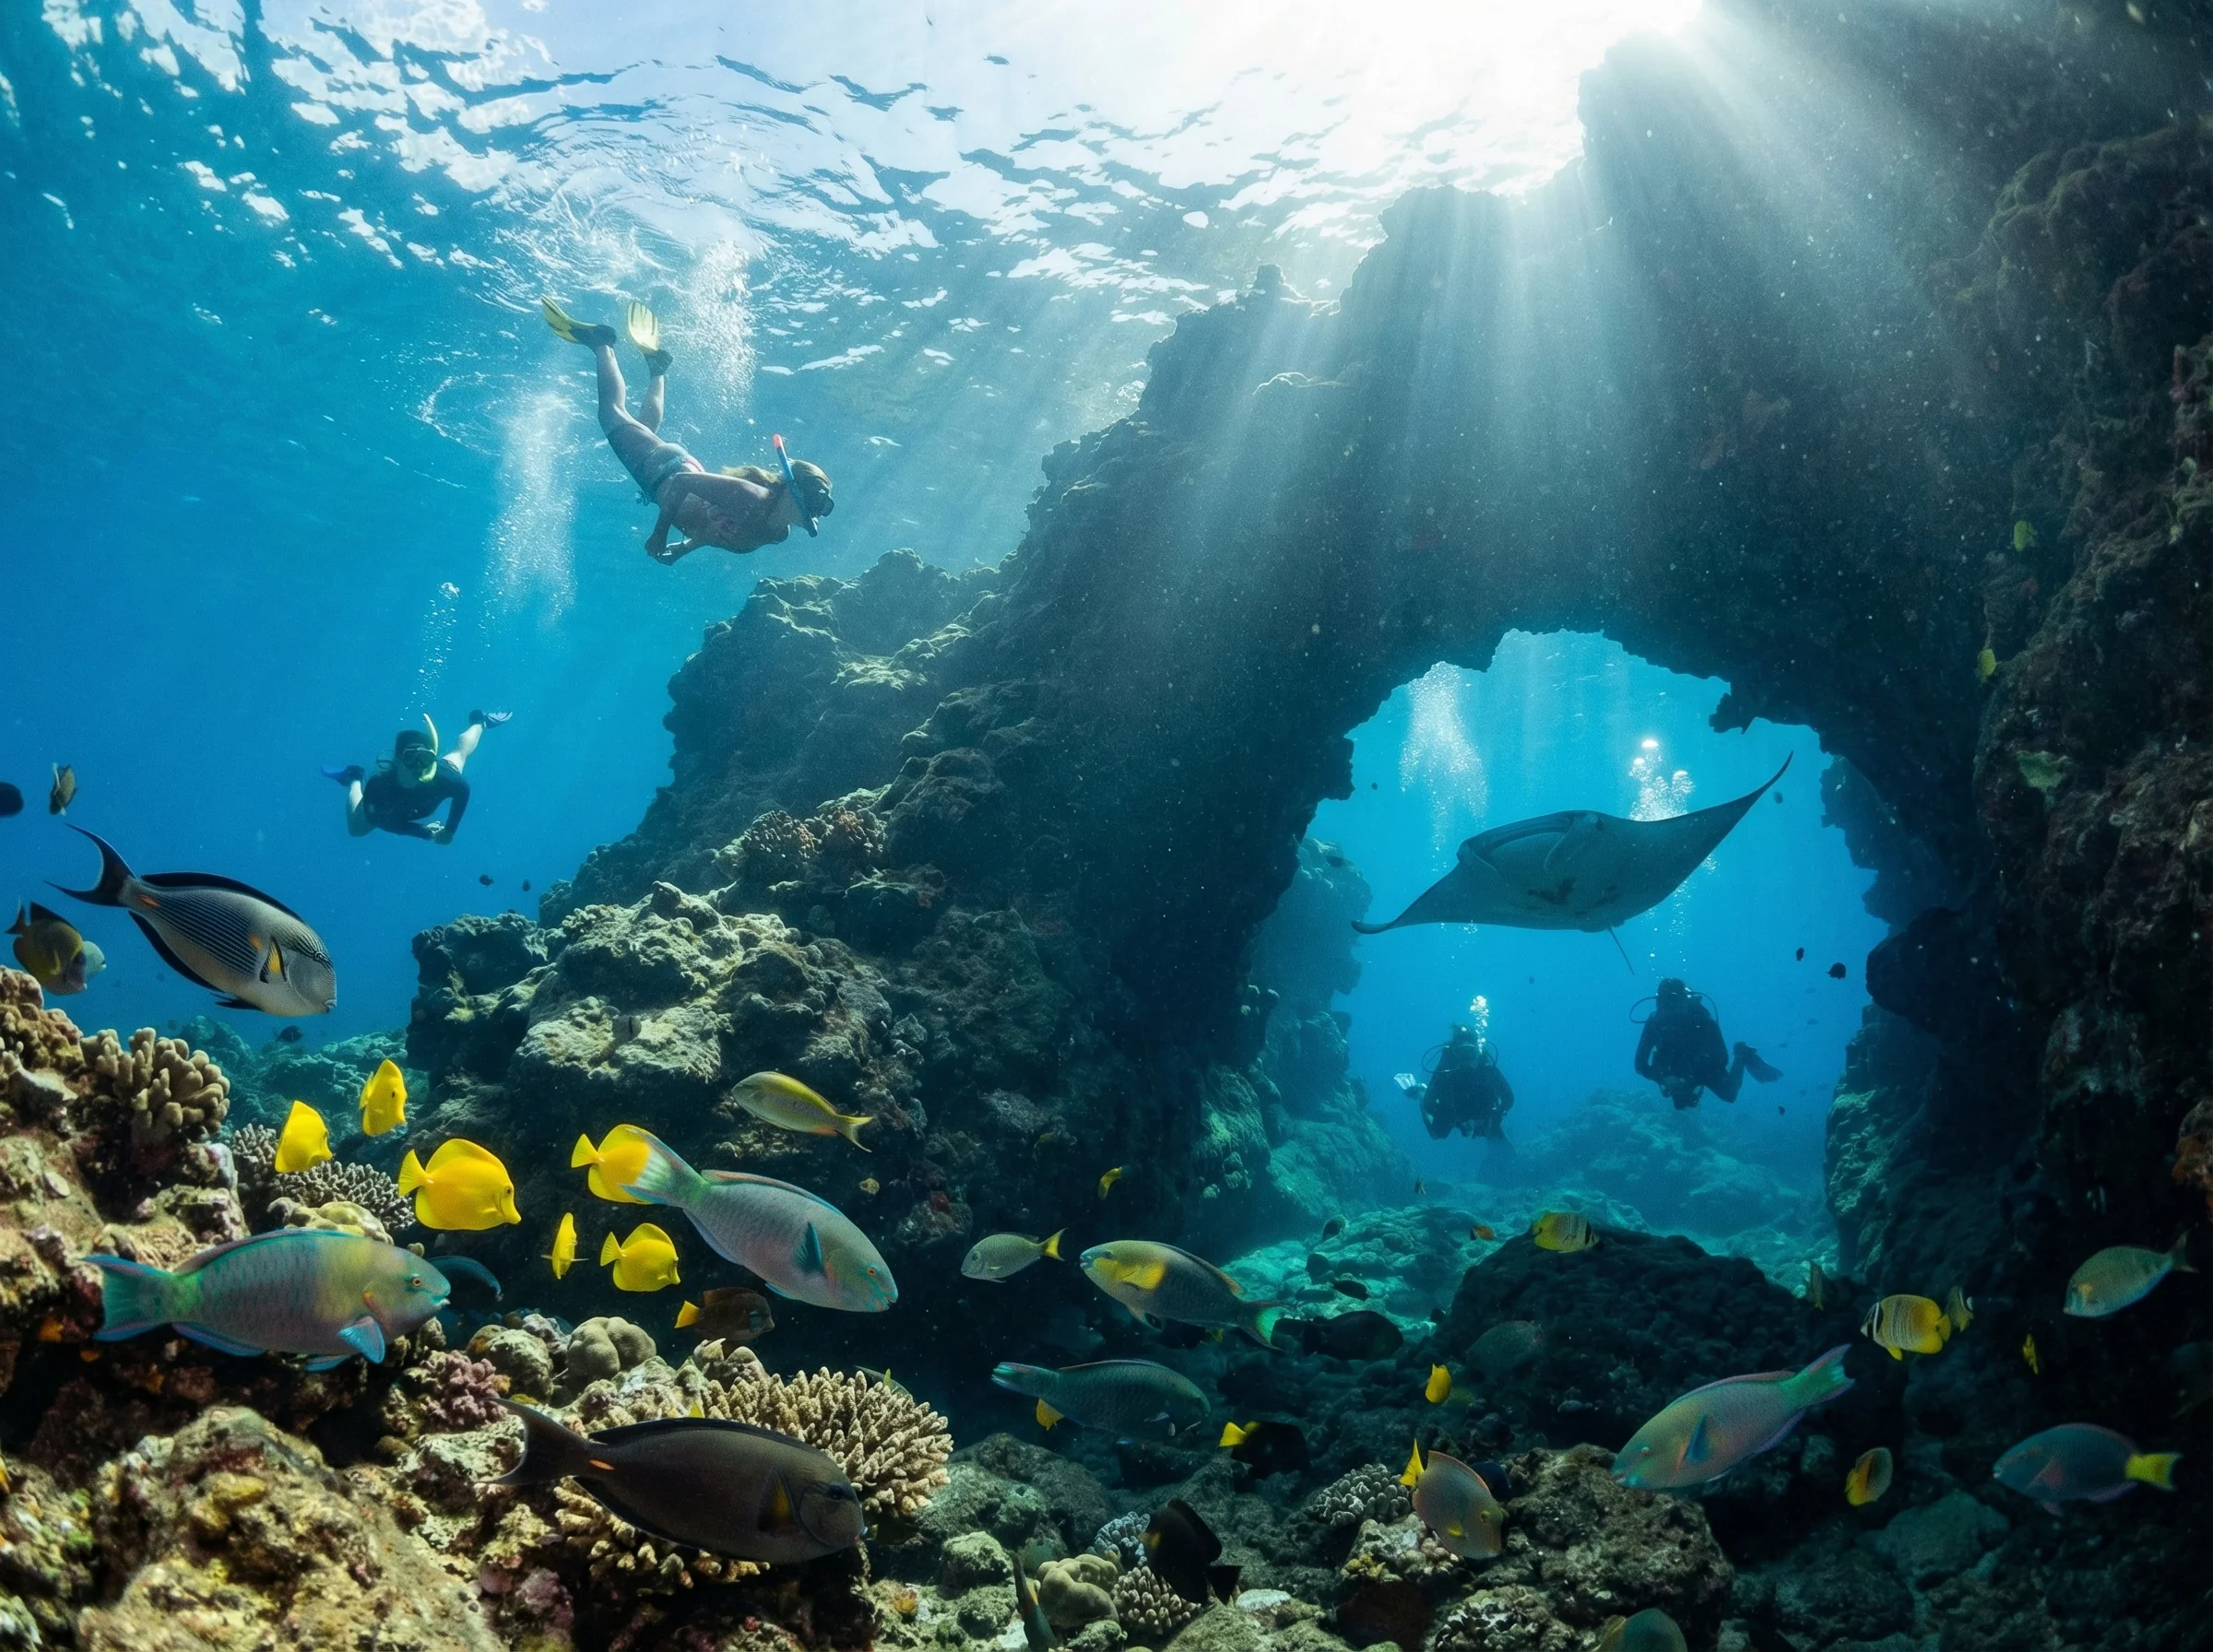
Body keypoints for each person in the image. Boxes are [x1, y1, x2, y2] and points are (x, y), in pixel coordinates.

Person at [541, 298, 834, 564]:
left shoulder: (777, 533)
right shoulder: (750, 496)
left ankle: (657, 370)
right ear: (794, 491)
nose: (817, 513)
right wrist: (660, 534)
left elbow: (715, 534)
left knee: (639, 428)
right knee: (611, 414)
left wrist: (682, 550)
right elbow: (682, 483)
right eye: (818, 504)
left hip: (668, 472)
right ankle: (601, 343)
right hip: (664, 473)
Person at [325, 711, 506, 844]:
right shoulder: (379, 786)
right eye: (411, 758)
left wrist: (450, 830)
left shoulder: (445, 777)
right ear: (397, 760)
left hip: (440, 776)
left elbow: (464, 790)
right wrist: (424, 832)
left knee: (460, 753)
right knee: (357, 828)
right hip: (389, 810)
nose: (419, 767)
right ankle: (354, 777)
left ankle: (480, 721)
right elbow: (383, 823)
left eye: (425, 758)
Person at [1635, 977, 1780, 1108]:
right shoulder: (1653, 1024)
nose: (1672, 1009)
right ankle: (1681, 1088)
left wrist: (1686, 1081)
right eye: (1666, 1003)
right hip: (1672, 1068)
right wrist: (1665, 1079)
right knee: (1681, 1104)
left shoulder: (1703, 1021)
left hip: (1704, 1065)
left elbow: (1721, 1057)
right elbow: (1640, 1065)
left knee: (1730, 1095)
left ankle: (1741, 1053)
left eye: (1675, 1002)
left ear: (1685, 1000)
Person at [1395, 1024, 1514, 1140]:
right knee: (1437, 1134)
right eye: (1462, 1053)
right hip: (1454, 1110)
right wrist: (1457, 1123)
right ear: (1455, 1054)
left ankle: (1487, 1125)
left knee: (1489, 1130)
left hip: (1481, 1106)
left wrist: (1496, 1116)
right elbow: (1428, 1104)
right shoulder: (1446, 1071)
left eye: (1470, 1052)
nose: (1467, 1059)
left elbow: (1508, 1098)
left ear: (1477, 1053)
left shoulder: (1486, 1068)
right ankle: (1421, 1090)